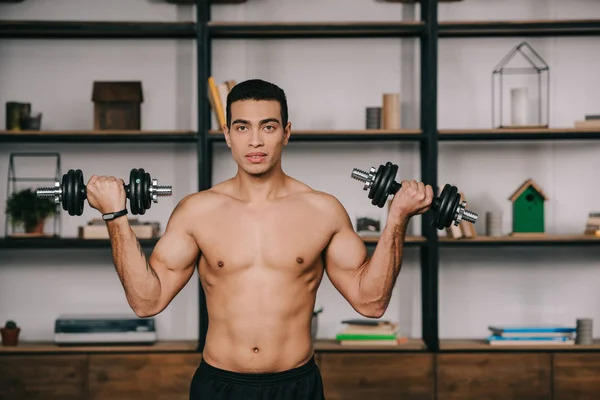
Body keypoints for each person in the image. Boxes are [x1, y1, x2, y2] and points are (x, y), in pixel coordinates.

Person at [85, 78, 434, 400]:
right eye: (242, 127)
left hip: (297, 386)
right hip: (219, 385)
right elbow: (147, 302)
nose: (255, 140)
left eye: (268, 126)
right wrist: (115, 216)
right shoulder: (197, 212)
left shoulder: (322, 211)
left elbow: (371, 303)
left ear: (286, 132)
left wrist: (397, 218)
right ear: (227, 133)